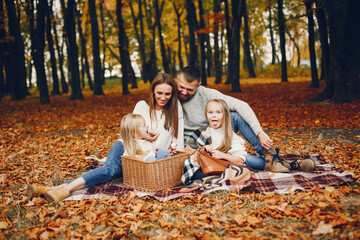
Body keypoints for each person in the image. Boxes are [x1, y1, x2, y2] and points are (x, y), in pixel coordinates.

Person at [27, 73, 184, 202]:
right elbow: (128, 132)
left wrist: (172, 150)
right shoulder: (142, 106)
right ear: (153, 92)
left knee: (107, 174)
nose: (163, 97)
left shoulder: (175, 111)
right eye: (159, 93)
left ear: (172, 94)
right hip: (127, 148)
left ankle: (51, 190)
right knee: (109, 171)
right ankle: (65, 190)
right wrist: (147, 138)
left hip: (144, 162)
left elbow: (178, 142)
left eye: (167, 94)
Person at [176, 66, 285, 172]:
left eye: (189, 89)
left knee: (234, 116)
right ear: (177, 79)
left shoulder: (205, 94)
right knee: (240, 158)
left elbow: (242, 105)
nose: (184, 92)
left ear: (198, 86)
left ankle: (269, 154)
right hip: (196, 146)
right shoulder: (169, 95)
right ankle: (279, 162)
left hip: (215, 138)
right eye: (182, 87)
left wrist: (259, 132)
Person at [182, 99, 316, 185]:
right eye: (211, 112)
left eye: (218, 112)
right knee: (255, 161)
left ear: (225, 116)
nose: (214, 115)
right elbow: (190, 149)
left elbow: (239, 159)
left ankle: (290, 164)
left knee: (250, 160)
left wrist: (222, 155)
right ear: (206, 116)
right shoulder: (203, 132)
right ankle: (287, 163)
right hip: (214, 165)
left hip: (231, 161)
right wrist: (202, 149)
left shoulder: (230, 135)